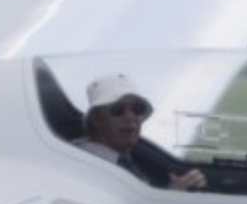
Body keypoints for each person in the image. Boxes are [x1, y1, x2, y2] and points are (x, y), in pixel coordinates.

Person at [76, 73, 206, 191]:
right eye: (117, 109)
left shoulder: (126, 159)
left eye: (137, 109)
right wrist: (173, 194)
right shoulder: (81, 166)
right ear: (95, 119)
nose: (130, 117)